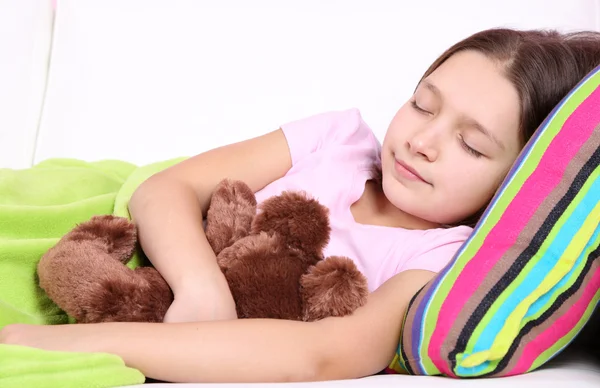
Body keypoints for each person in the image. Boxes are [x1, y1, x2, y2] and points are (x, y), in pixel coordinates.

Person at [2, 27, 600, 384]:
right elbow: (162, 190)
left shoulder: (437, 259)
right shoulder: (339, 139)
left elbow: (320, 355)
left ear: (516, 178)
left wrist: (55, 344)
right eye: (422, 104)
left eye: (470, 144)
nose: (422, 140)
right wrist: (201, 286)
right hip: (106, 222)